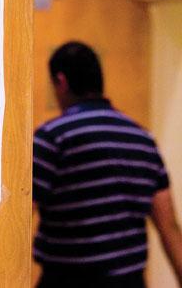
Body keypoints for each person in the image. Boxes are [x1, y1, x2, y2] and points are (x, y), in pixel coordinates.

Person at [33, 41, 182, 288]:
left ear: (61, 82)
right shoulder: (142, 139)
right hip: (130, 281)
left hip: (66, 280)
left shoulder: (52, 138)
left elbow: (20, 215)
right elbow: (170, 228)